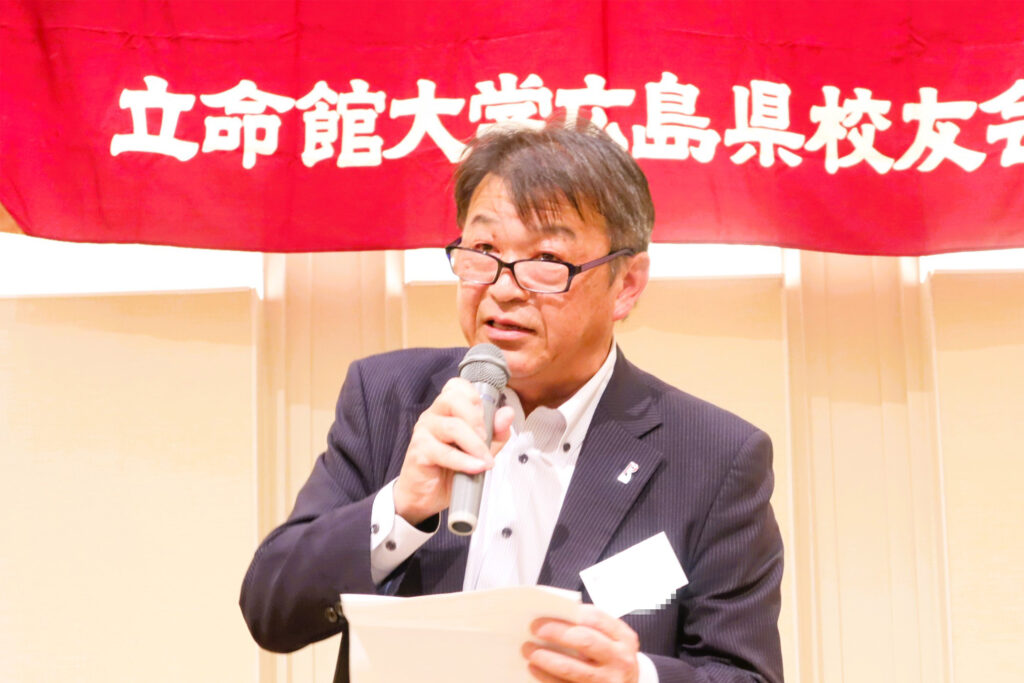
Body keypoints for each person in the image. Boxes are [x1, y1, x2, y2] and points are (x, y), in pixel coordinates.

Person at [240, 117, 784, 683]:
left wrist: (637, 677)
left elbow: (745, 674)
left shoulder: (713, 457)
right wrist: (400, 506)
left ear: (625, 285)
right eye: (483, 250)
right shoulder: (388, 398)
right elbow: (271, 611)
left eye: (547, 260)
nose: (502, 288)